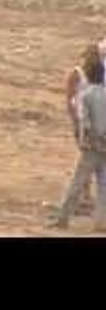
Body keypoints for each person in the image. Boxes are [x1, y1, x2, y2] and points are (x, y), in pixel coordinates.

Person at [51, 56, 106, 231]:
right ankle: (101, 223)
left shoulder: (86, 95)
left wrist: (84, 140)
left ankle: (63, 218)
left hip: (92, 146)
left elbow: (85, 122)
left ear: (87, 75)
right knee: (103, 186)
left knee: (77, 183)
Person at [64, 43, 103, 212]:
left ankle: (84, 200)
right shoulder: (77, 74)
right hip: (85, 124)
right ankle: (84, 198)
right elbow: (70, 101)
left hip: (94, 124)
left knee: (88, 164)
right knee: (87, 164)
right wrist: (76, 123)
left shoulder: (96, 75)